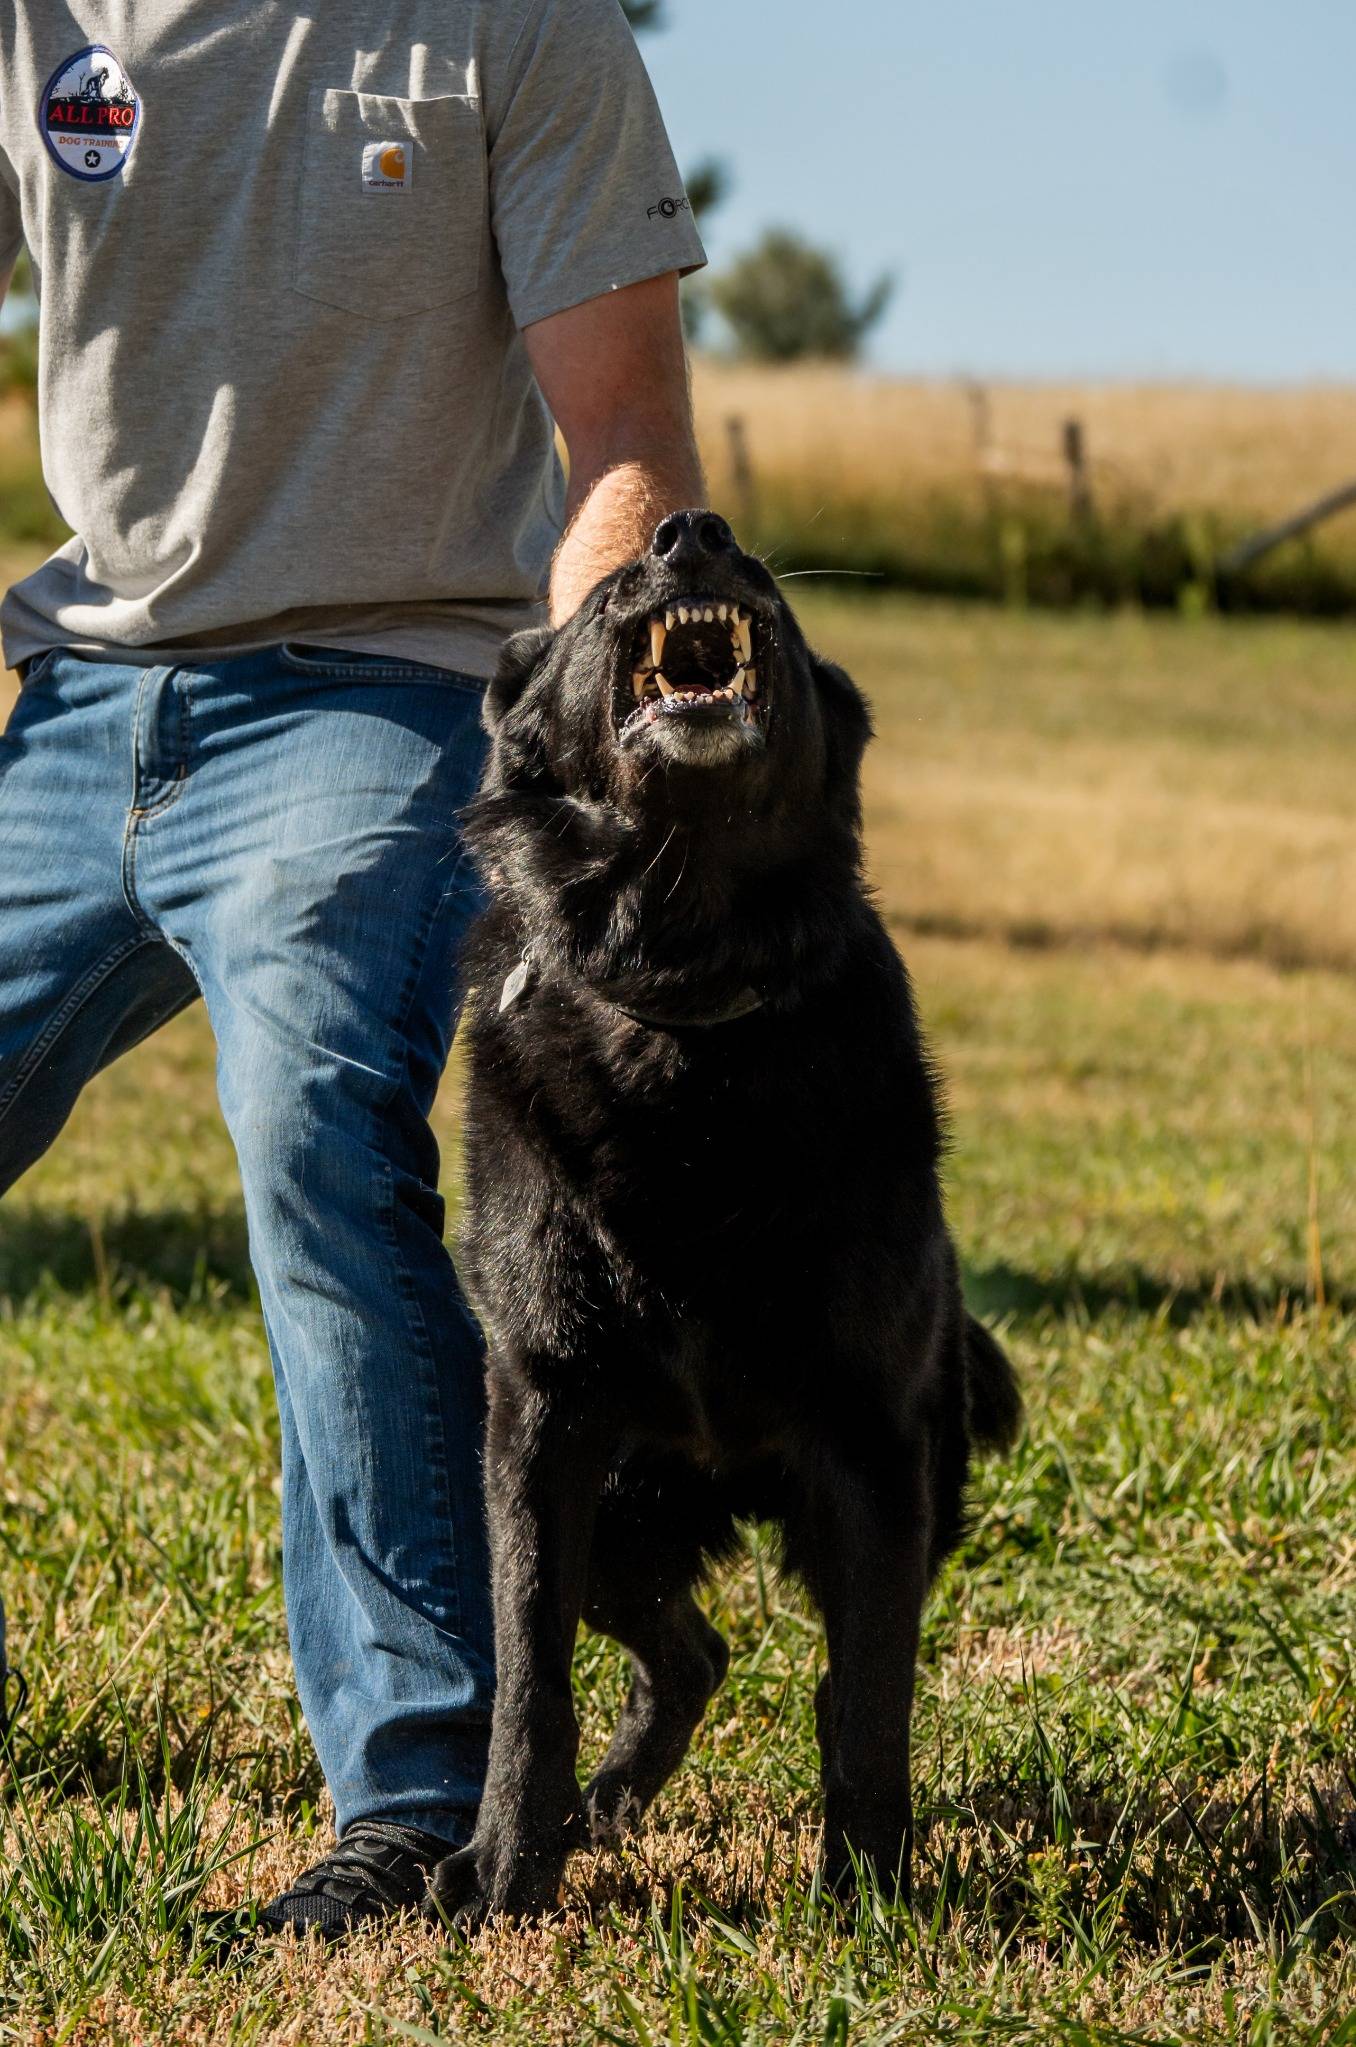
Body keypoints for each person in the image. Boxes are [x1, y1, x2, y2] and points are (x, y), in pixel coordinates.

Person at [0, 3, 705, 1941]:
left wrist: (594, 745)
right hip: (78, 697)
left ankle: (427, 1803)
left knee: (314, 1114)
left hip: (387, 692)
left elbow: (626, 434)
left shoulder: (510, 24)